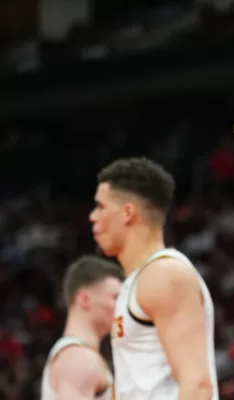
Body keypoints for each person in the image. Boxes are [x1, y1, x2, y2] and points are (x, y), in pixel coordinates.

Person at [89, 157, 218, 399]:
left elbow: (198, 385)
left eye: (100, 207)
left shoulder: (164, 275)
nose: (92, 217)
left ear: (127, 213)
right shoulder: (138, 281)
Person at [41, 255, 124, 400]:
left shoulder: (78, 355)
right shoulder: (79, 358)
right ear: (85, 300)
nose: (122, 308)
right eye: (116, 298)